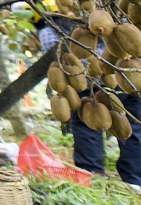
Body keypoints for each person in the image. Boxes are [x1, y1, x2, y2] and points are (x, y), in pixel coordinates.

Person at [38, 14, 141, 190]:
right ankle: (135, 179)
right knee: (135, 127)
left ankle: (91, 174)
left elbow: (53, 50)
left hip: (87, 80)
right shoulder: (119, 19)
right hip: (125, 76)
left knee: (87, 127)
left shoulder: (52, 29)